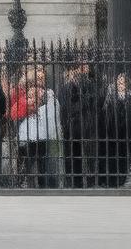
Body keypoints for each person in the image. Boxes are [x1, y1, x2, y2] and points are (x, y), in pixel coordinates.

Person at [58, 60, 98, 189]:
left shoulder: (87, 85)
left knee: (90, 154)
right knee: (73, 155)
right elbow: (66, 107)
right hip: (71, 127)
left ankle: (91, 181)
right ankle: (75, 182)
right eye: (73, 72)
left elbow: (94, 102)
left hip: (86, 125)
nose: (75, 74)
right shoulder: (64, 89)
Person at [97, 73, 131, 188]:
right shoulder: (111, 96)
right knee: (112, 156)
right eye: (119, 82)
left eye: (123, 82)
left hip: (126, 129)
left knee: (124, 155)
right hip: (112, 129)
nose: (120, 85)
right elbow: (105, 111)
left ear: (127, 84)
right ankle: (112, 179)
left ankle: (122, 178)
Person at [17, 83, 60, 189]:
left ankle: (41, 182)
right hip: (31, 134)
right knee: (31, 159)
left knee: (40, 159)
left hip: (40, 134)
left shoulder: (46, 101)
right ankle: (29, 181)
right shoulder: (27, 102)